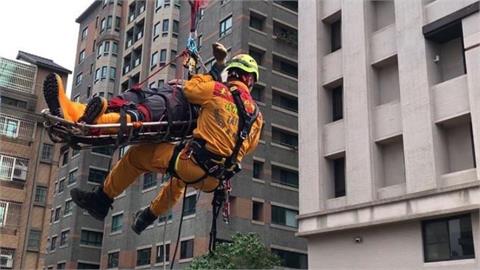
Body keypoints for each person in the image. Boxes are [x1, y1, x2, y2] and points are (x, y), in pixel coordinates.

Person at [65, 53, 263, 234]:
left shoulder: (218, 90)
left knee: (137, 156)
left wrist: (211, 74)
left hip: (192, 164)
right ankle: (146, 218)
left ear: (231, 75)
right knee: (177, 182)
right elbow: (246, 146)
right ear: (251, 80)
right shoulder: (256, 116)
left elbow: (190, 91)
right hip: (215, 180)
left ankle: (101, 199)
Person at [42, 43, 228, 135]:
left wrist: (219, 65)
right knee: (130, 97)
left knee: (143, 111)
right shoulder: (209, 83)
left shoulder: (223, 95)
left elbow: (205, 86)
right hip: (170, 95)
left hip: (177, 108)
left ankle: (92, 124)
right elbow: (200, 81)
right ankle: (69, 110)